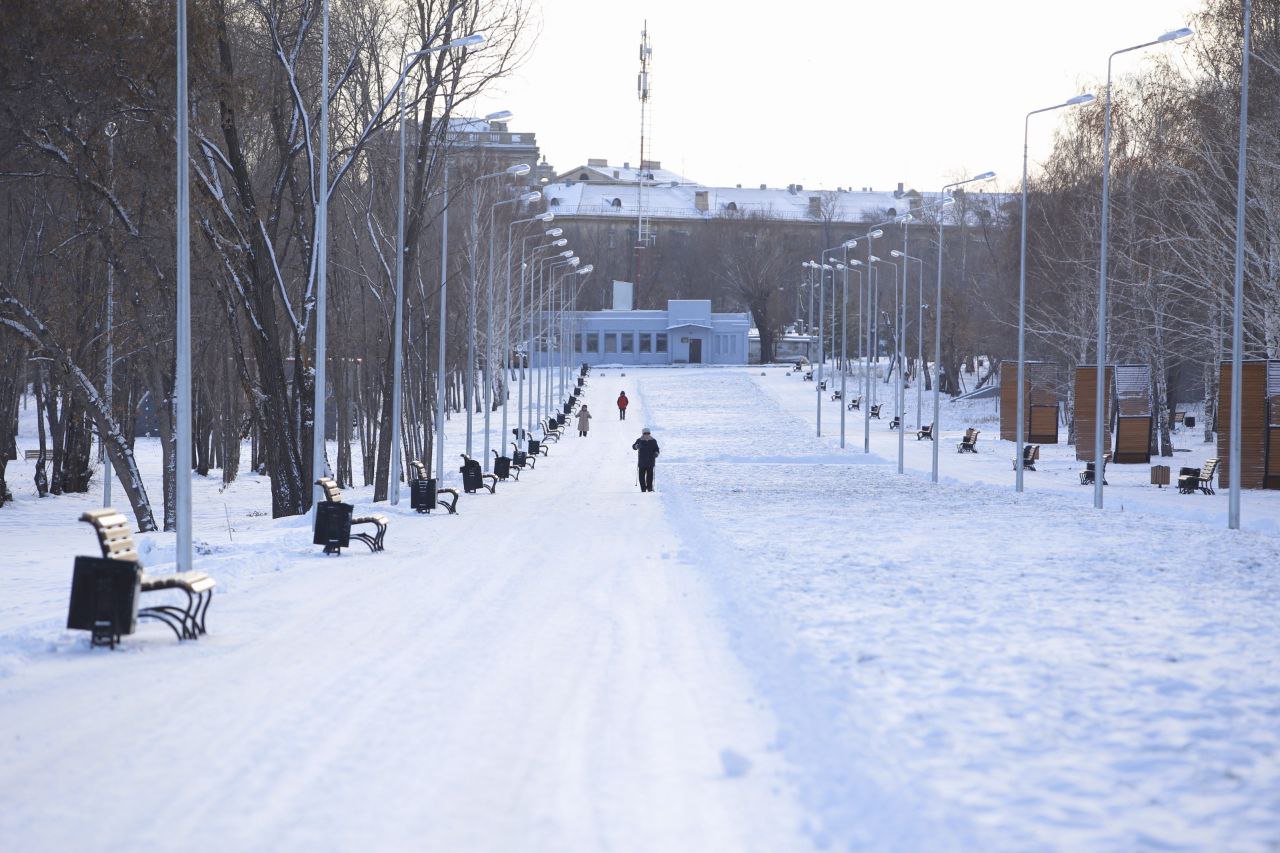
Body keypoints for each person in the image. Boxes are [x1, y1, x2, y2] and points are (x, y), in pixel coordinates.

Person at [632, 427, 660, 492]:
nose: (647, 434)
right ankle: (643, 488)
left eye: (648, 433)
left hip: (650, 461)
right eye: (645, 433)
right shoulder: (639, 440)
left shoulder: (653, 441)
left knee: (650, 476)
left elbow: (657, 449)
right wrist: (636, 446)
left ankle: (649, 488)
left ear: (650, 433)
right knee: (641, 476)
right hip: (642, 461)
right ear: (643, 433)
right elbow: (633, 446)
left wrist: (656, 453)